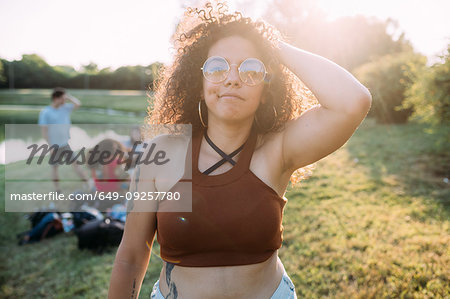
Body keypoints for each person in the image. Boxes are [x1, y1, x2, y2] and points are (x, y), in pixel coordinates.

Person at [108, 2, 372, 298]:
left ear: (264, 91)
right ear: (199, 83)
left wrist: (268, 42)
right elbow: (130, 258)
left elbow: (353, 101)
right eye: (217, 67)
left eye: (251, 69)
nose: (232, 78)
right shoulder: (158, 155)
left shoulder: (278, 148)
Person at [38, 87, 90, 193]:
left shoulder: (65, 108)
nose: (64, 100)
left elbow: (78, 104)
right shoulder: (46, 112)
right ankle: (57, 190)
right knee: (55, 168)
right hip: (55, 146)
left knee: (76, 163)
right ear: (55, 98)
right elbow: (44, 132)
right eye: (63, 98)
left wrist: (68, 97)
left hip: (65, 144)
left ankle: (87, 182)